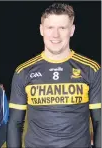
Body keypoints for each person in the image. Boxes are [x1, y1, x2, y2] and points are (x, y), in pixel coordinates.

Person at [7, 3, 101, 148]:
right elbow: (15, 123)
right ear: (41, 29)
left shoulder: (91, 69)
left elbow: (99, 122)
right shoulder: (23, 71)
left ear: (72, 30)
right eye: (50, 27)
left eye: (62, 28)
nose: (55, 35)